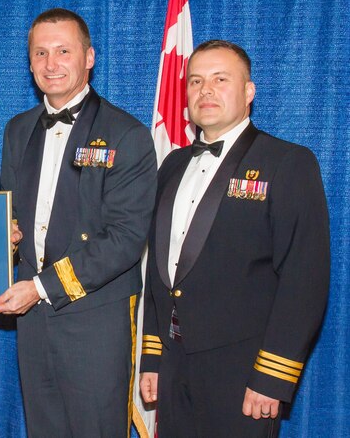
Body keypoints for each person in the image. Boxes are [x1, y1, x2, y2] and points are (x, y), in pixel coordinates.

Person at [139, 40, 330, 437]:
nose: (205, 90)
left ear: (248, 92)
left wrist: (273, 377)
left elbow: (304, 279)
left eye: (220, 79)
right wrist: (154, 358)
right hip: (175, 367)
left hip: (244, 371)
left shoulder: (287, 163)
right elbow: (161, 273)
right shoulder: (173, 165)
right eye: (195, 81)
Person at [0, 8, 157, 436]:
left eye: (64, 51)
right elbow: (6, 218)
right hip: (33, 324)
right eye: (40, 53)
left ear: (89, 57)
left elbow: (123, 239)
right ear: (28, 62)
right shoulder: (17, 130)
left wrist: (41, 288)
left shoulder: (126, 134)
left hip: (94, 320)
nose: (51, 64)